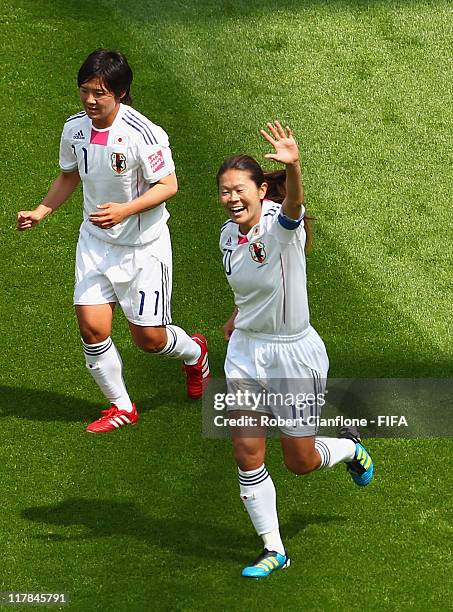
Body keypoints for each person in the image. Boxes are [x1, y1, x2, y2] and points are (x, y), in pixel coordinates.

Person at [17, 49, 210, 433]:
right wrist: (42, 210)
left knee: (150, 341)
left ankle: (196, 352)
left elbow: (168, 185)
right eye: (85, 91)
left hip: (143, 249)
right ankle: (121, 406)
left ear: (120, 93)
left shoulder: (145, 134)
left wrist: (125, 210)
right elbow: (69, 175)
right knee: (92, 328)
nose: (90, 100)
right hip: (95, 243)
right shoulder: (74, 129)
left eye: (99, 93)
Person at [217, 121, 373, 579]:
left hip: (293, 354)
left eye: (239, 189)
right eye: (224, 191)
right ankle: (274, 548)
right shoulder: (227, 235)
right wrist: (235, 317)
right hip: (247, 350)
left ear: (261, 189)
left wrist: (296, 166)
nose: (231, 198)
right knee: (247, 451)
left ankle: (348, 449)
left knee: (299, 461)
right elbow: (248, 286)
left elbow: (294, 207)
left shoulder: (279, 225)